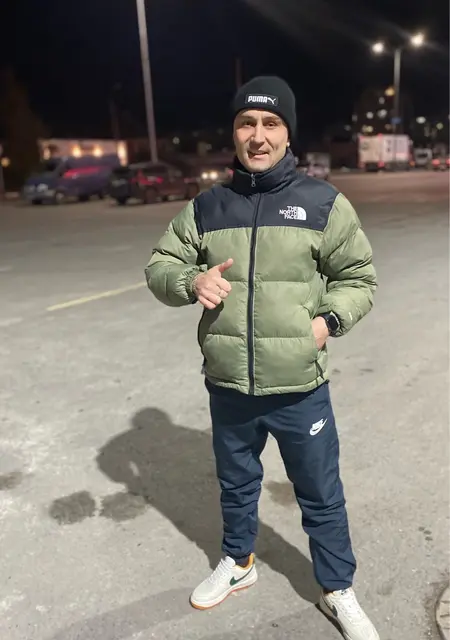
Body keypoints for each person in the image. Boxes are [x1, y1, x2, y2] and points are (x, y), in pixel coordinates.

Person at [145, 76, 379, 640]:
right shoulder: (208, 207)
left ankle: (337, 588)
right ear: (234, 133)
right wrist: (190, 281)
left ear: (288, 133)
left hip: (300, 388)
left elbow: (358, 278)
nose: (258, 136)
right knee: (236, 485)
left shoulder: (323, 203)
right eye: (246, 123)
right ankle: (238, 562)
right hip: (229, 385)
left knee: (320, 493)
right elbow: (160, 266)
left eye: (271, 124)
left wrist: (326, 323)